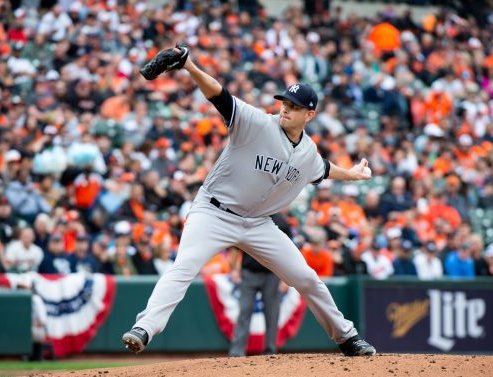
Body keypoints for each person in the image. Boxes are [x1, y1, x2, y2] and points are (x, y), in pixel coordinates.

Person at [122, 44, 376, 357]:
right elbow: (218, 94)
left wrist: (352, 174)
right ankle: (144, 328)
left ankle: (347, 338)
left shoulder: (308, 153)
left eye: (294, 106)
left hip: (258, 224)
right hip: (213, 212)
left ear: (310, 114)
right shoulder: (256, 123)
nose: (285, 108)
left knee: (306, 278)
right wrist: (188, 65)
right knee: (184, 267)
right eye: (284, 102)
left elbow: (323, 170)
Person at [228, 212, 291, 357]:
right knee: (244, 311)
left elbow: (288, 250)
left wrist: (285, 277)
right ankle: (237, 352)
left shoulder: (280, 221)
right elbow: (235, 244)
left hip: (272, 273)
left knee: (272, 313)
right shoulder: (250, 216)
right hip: (249, 271)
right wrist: (234, 269)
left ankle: (270, 351)